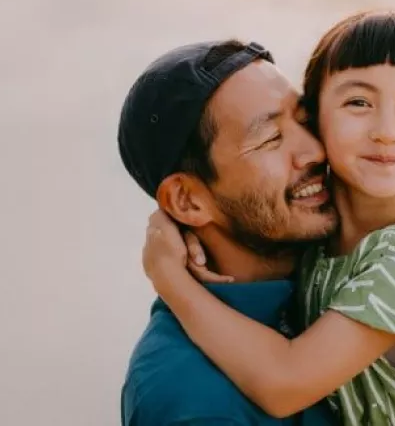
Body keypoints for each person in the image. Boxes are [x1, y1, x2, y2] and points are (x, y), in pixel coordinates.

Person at [142, 10, 395, 426]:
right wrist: (175, 222)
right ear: (321, 119)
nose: (387, 130)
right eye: (358, 102)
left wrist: (171, 281)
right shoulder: (317, 222)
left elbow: (284, 383)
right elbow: (234, 204)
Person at [118, 40, 340, 425]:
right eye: (271, 139)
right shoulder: (193, 399)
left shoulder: (342, 274)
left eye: (304, 121)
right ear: (187, 201)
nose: (314, 152)